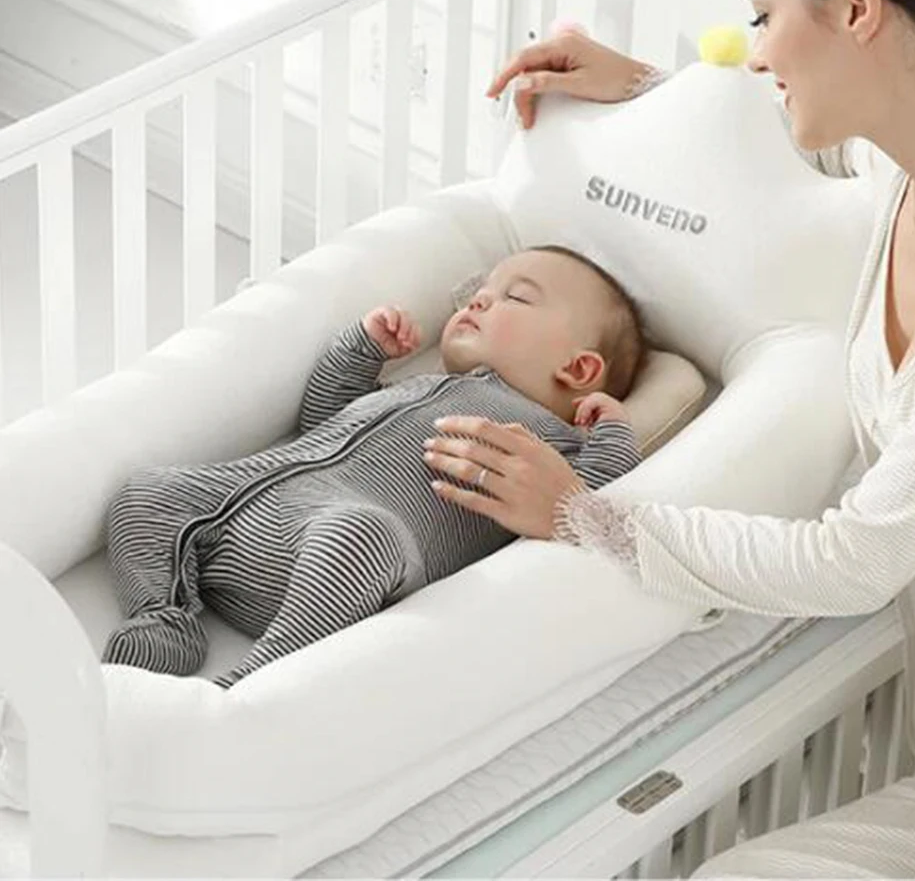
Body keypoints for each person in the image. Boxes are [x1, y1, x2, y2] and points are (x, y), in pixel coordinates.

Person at [422, 0, 915, 875]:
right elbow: (796, 160)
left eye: (762, 15)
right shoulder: (907, 171)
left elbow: (853, 560)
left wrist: (586, 516)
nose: (758, 54)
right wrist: (646, 90)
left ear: (857, 5)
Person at [102, 246, 646, 688]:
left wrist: (614, 432)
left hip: (337, 563)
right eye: (480, 290)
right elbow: (320, 415)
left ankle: (253, 682)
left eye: (516, 297)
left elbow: (584, 506)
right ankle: (163, 618)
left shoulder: (545, 447)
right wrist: (360, 350)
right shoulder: (416, 383)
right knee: (147, 491)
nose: (479, 299)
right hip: (240, 507)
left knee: (361, 535)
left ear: (578, 369)